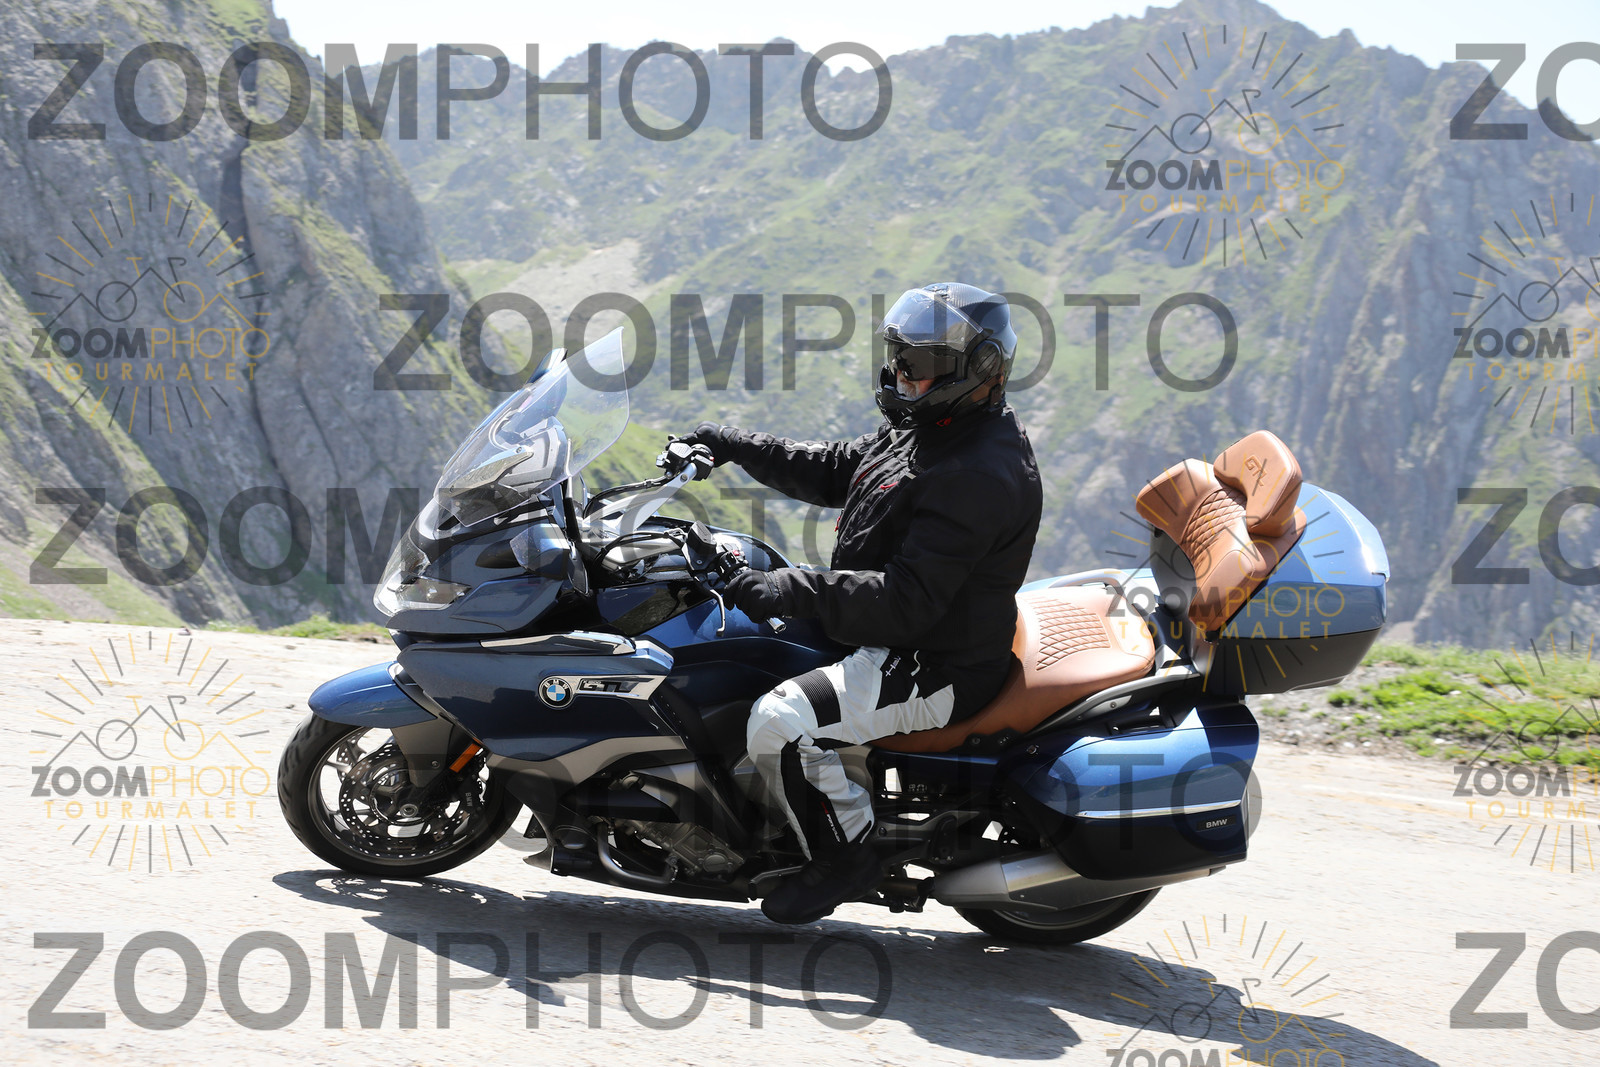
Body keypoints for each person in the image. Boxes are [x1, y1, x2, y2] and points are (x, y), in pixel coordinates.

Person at [676, 282, 1043, 925]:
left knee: (780, 721)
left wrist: (787, 586)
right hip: (895, 632)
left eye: (919, 363)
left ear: (977, 370)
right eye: (898, 356)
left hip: (932, 662)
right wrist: (730, 444)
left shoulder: (977, 473)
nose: (901, 373)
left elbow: (906, 603)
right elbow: (838, 467)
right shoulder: (934, 429)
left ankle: (845, 855)